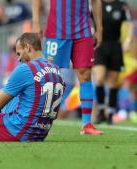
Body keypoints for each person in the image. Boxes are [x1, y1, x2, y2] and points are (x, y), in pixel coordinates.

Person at [32, 0, 103, 135]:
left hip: (83, 31)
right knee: (49, 76)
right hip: (56, 31)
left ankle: (87, 124)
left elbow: (96, 2)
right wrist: (35, 22)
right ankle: (40, 122)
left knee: (85, 74)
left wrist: (99, 29)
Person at [92, 0, 132, 124]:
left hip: (115, 46)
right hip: (99, 45)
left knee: (112, 81)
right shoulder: (96, 4)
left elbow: (129, 24)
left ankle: (110, 112)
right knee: (99, 78)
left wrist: (128, 40)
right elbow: (86, 20)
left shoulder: (122, 6)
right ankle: (101, 110)